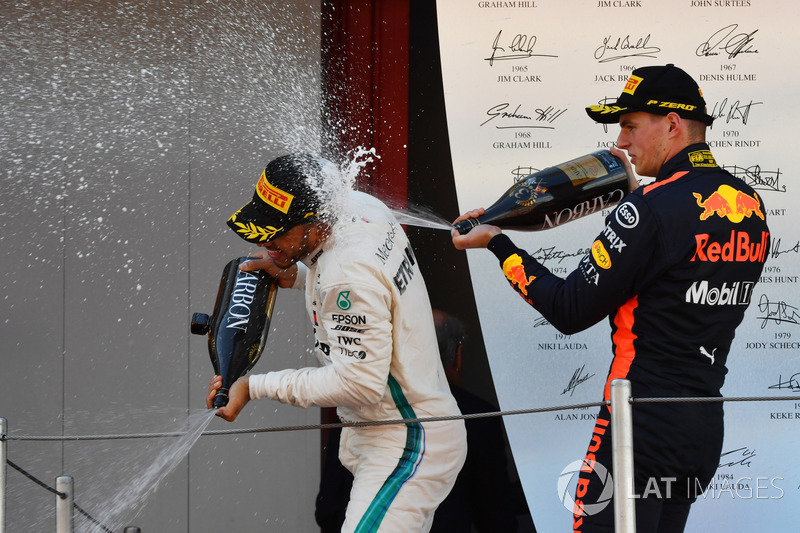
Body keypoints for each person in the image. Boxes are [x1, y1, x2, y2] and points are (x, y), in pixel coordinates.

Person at [450, 64, 770, 533]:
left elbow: (568, 309)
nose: (621, 141)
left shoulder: (647, 209)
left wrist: (499, 243)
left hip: (636, 427)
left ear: (673, 125)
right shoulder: (750, 204)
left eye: (630, 125)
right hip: (699, 429)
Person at [207, 153, 467, 533]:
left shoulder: (347, 275)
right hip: (401, 431)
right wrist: (294, 273)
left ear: (318, 221)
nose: (268, 241)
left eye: (278, 230)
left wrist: (253, 386)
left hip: (408, 442)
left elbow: (359, 382)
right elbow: (365, 283)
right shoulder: (361, 206)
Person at [429, 310, 530, 533]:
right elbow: (494, 514)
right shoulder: (476, 416)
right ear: (458, 356)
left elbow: (335, 499)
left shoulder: (361, 409)